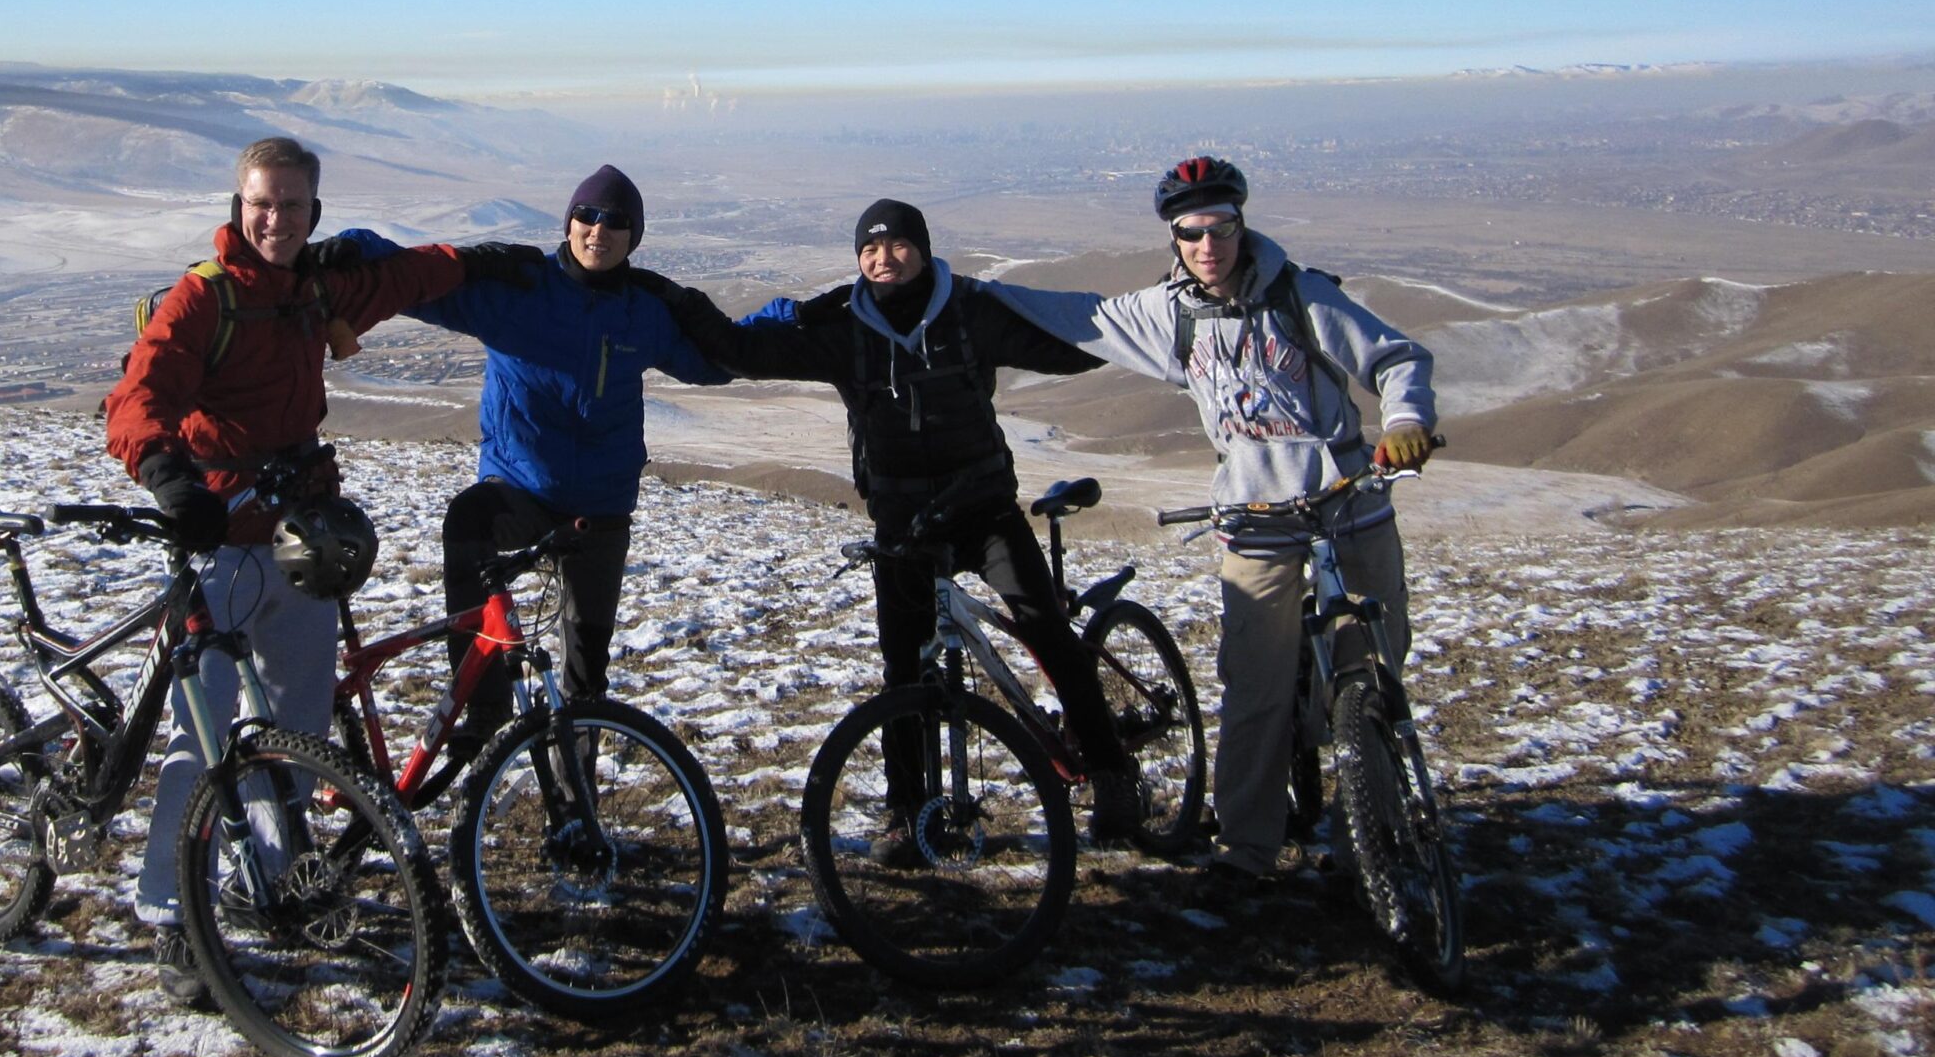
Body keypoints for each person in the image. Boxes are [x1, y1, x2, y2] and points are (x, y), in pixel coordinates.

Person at [103, 134, 533, 1002]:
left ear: (314, 213)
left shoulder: (318, 290)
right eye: (262, 203)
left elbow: (410, 276)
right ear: (238, 207)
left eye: (292, 206)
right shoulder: (202, 302)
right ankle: (172, 915)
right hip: (218, 538)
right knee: (203, 740)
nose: (276, 219)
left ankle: (273, 878)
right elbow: (138, 399)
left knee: (295, 723)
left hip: (297, 536)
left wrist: (493, 261)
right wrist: (165, 475)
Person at [990, 155, 1437, 901]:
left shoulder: (1304, 295)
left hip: (1350, 506)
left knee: (1371, 674)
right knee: (1255, 684)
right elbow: (1083, 317)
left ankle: (1379, 837)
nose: (1207, 244)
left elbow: (1396, 358)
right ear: (1175, 238)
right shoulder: (1174, 314)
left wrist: (1408, 421)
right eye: (1190, 232)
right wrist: (957, 291)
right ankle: (1247, 847)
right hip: (1256, 517)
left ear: (1241, 224)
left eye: (1220, 227)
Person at [660, 198, 1144, 850]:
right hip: (905, 524)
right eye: (869, 250)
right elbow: (741, 352)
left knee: (1046, 629)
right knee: (905, 674)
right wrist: (672, 298)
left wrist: (1144, 330)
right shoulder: (841, 328)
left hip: (984, 509)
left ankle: (1110, 769)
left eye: (896, 246)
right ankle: (906, 813)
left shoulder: (972, 312)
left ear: (921, 248)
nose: (883, 259)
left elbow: (1065, 345)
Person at [367, 165, 731, 746]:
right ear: (567, 223)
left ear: (633, 236)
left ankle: (575, 816)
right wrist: (347, 251)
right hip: (521, 491)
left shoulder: (644, 310)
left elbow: (716, 362)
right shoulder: (518, 290)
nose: (597, 230)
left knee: (585, 677)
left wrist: (774, 323)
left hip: (599, 511)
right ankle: (481, 707)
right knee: (468, 519)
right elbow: (418, 281)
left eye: (616, 222)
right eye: (586, 216)